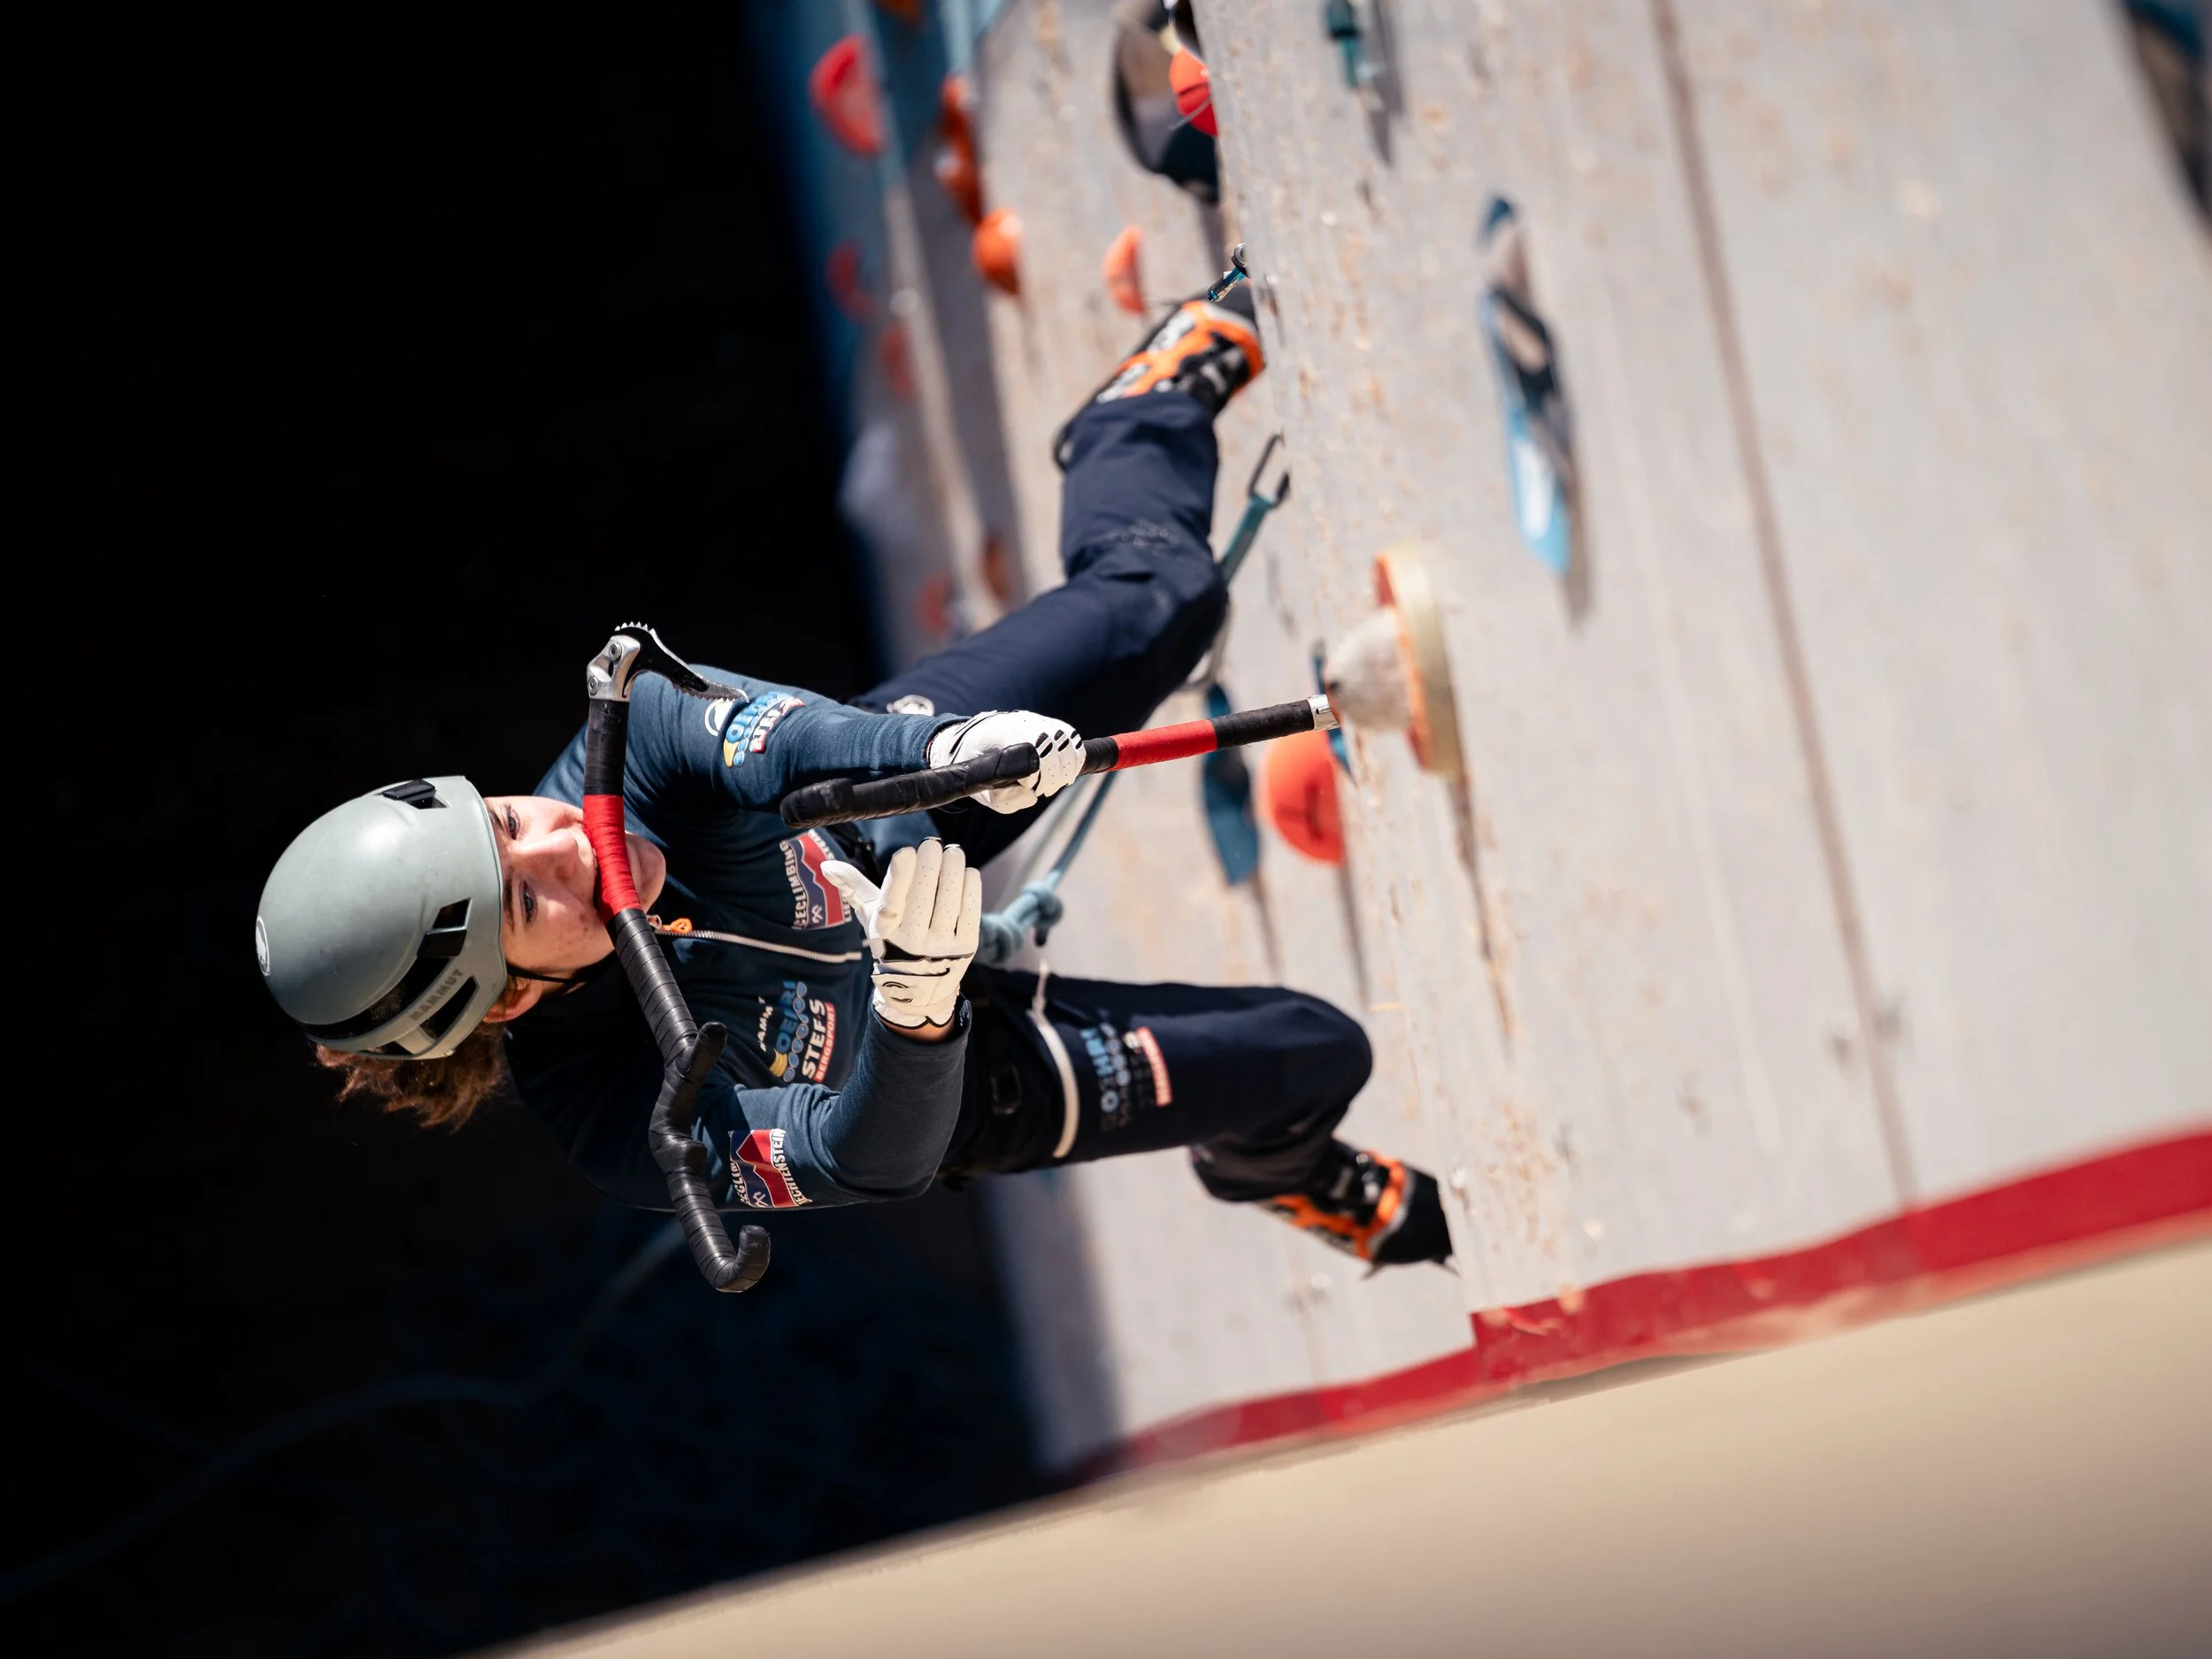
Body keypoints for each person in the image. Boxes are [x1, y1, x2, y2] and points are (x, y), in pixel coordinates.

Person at [256, 286, 1454, 1270]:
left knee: (1166, 606)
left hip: (872, 819)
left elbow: (786, 742)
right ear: (513, 999)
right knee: (1314, 1051)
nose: (566, 838)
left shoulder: (623, 756)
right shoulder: (623, 1121)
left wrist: (932, 756)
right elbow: (863, 1158)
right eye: (529, 900)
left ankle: (1128, 424)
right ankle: (1274, 1165)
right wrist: (919, 1006)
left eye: (511, 820)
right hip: (944, 1072)